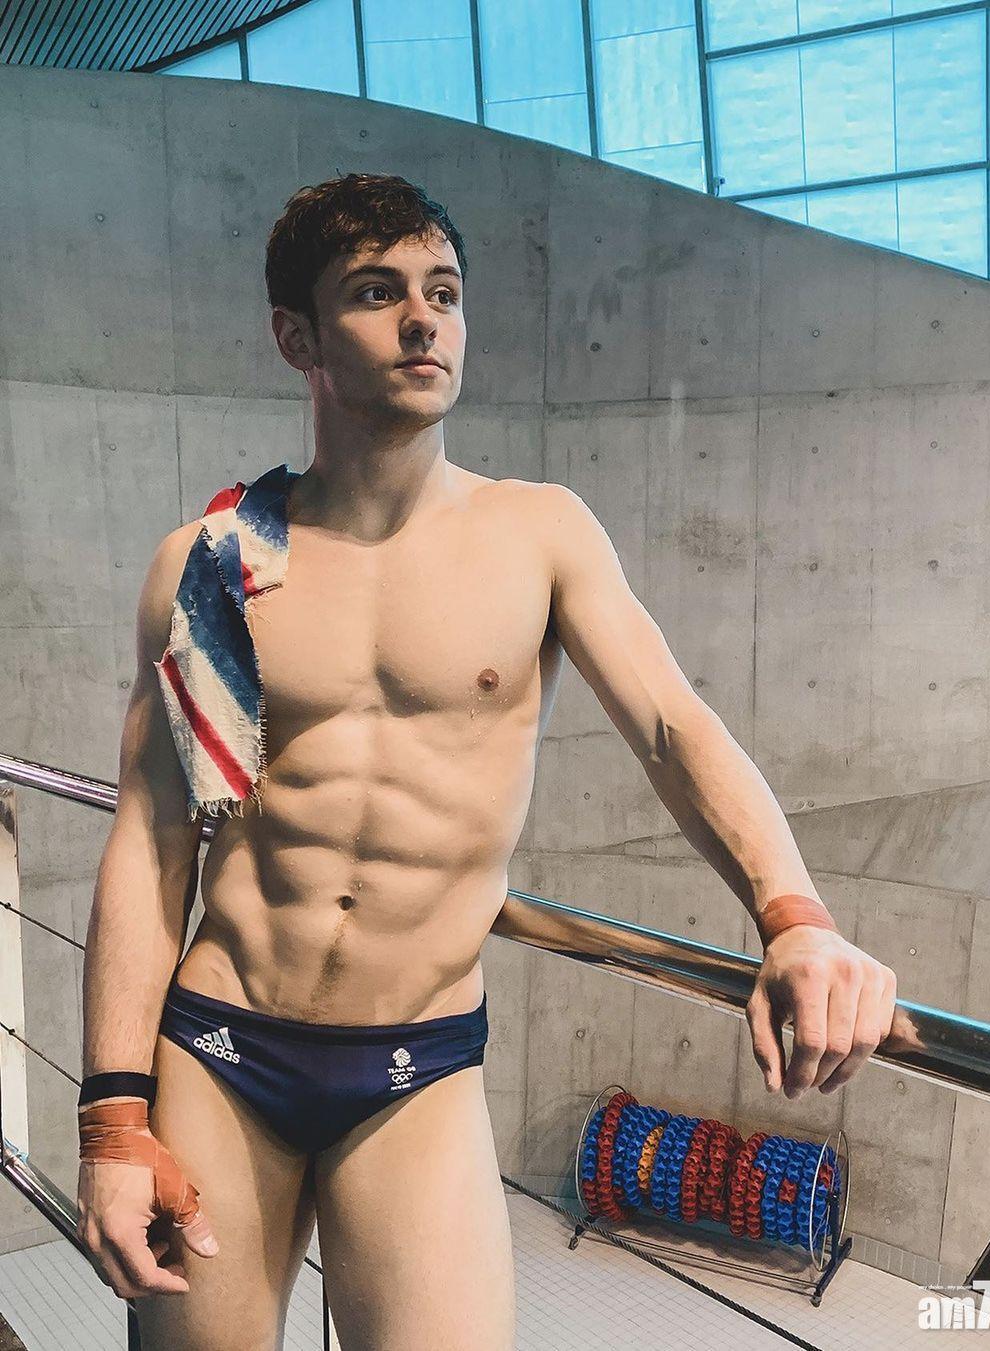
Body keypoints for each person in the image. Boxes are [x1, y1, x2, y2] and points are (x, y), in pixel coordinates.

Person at [75, 173, 897, 1351]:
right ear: (298, 337)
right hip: (221, 1044)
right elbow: (154, 840)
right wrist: (112, 1117)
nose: (424, 320)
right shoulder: (213, 561)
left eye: (444, 292)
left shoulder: (537, 534)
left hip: (414, 1061)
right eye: (377, 292)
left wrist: (794, 916)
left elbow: (673, 726)